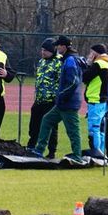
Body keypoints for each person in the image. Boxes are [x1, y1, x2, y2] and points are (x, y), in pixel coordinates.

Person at [31, 35, 85, 165]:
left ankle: (77, 156)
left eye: (58, 45)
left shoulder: (70, 60)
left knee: (73, 130)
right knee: (47, 120)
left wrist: (61, 95)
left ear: (64, 47)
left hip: (68, 103)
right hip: (62, 103)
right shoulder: (68, 59)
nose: (56, 48)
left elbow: (73, 82)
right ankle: (39, 150)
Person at [27, 38, 61, 159]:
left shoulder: (59, 62)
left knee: (51, 127)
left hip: (51, 101)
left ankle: (51, 151)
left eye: (46, 50)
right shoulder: (41, 62)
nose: (43, 52)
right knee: (34, 124)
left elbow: (60, 81)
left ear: (52, 51)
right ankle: (31, 146)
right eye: (42, 50)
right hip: (39, 99)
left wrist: (56, 97)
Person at [82, 44, 108, 159]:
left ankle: (96, 153)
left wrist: (88, 64)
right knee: (101, 128)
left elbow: (85, 77)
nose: (89, 55)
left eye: (91, 53)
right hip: (103, 100)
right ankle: (101, 152)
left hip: (95, 99)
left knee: (94, 128)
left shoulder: (98, 64)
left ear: (95, 53)